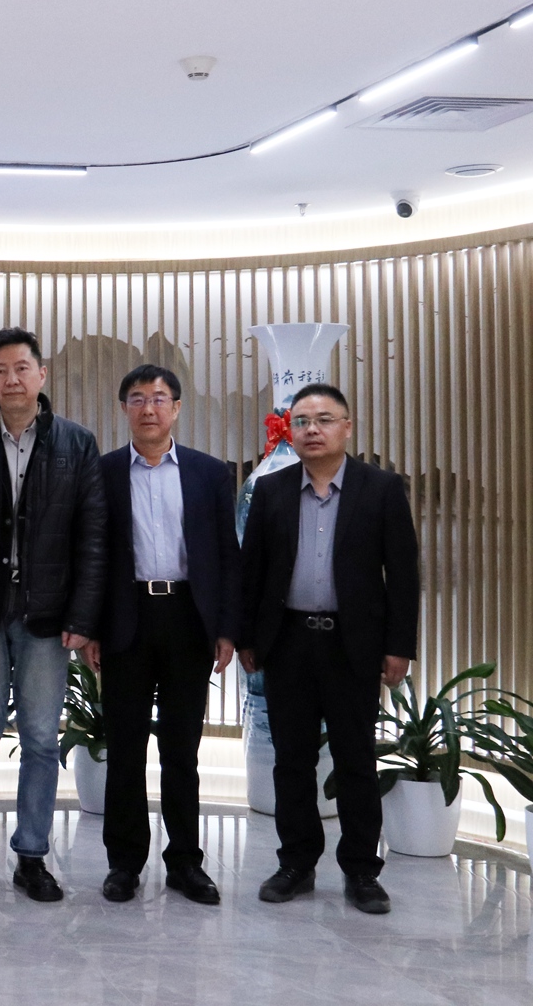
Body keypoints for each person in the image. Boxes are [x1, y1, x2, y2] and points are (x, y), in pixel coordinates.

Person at [0, 327, 105, 903]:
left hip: (49, 617)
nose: (11, 379)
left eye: (21, 368)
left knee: (39, 739)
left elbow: (92, 537)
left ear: (41, 375)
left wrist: (83, 616)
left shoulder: (77, 443)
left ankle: (32, 856)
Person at [239, 382, 418, 915]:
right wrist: (248, 638)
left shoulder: (380, 489)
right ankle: (296, 863)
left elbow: (403, 574)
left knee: (355, 760)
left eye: (323, 420)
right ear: (289, 431)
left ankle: (362, 870)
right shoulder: (272, 490)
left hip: (352, 644)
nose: (311, 430)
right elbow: (252, 573)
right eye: (301, 422)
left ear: (347, 427)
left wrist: (399, 646)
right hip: (288, 643)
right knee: (291, 761)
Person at [90, 365, 240, 906]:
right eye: (137, 399)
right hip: (125, 620)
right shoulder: (102, 472)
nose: (148, 408)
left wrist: (226, 628)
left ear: (176, 408)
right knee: (125, 750)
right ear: (124, 409)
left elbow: (226, 555)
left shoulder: (209, 473)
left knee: (182, 751)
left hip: (187, 619)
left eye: (158, 399)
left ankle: (185, 863)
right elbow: (92, 556)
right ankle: (124, 863)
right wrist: (90, 628)